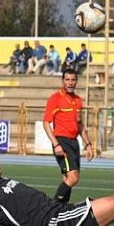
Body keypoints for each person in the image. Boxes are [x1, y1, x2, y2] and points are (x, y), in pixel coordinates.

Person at [42, 68, 93, 204]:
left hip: (74, 143)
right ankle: (52, 208)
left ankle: (60, 211)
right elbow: (46, 123)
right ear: (63, 81)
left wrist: (88, 145)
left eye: (73, 80)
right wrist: (55, 144)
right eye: (67, 80)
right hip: (61, 142)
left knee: (67, 178)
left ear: (76, 81)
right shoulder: (55, 98)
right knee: (73, 177)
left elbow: (80, 124)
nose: (70, 83)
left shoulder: (78, 100)